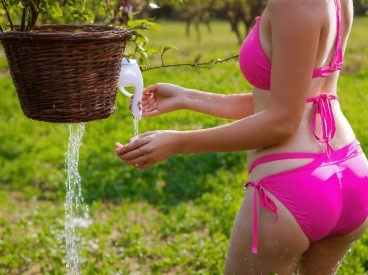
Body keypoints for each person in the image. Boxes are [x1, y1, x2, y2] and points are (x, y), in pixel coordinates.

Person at [115, 0, 368, 273]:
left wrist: (178, 142)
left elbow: (283, 122)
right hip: (351, 172)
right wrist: (185, 97)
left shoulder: (291, 4)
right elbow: (291, 99)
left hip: (293, 183)